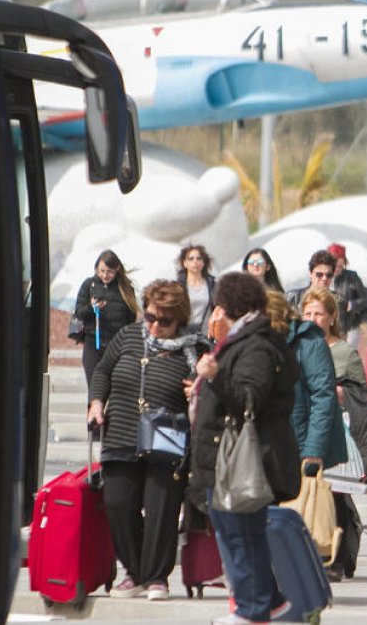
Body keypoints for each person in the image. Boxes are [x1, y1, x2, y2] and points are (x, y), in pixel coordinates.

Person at [86, 280, 208, 601]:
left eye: (164, 321)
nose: (155, 326)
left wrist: (196, 392)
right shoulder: (127, 336)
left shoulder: (195, 348)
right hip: (122, 434)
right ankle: (134, 571)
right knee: (117, 504)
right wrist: (97, 402)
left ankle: (156, 577)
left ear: (179, 319)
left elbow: (208, 392)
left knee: (161, 511)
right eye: (151, 317)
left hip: (166, 439)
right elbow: (102, 372)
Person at [192, 272, 299, 625]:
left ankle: (253, 611)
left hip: (242, 460)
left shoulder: (256, 345)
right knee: (234, 533)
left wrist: (213, 375)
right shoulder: (242, 339)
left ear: (228, 306)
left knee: (241, 536)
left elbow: (249, 399)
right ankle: (269, 601)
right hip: (226, 456)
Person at [299, 288, 367, 581]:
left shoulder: (344, 351)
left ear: (331, 317)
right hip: (305, 430)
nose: (313, 319)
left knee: (337, 496)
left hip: (338, 431)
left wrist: (342, 393)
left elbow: (362, 395)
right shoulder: (296, 346)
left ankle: (337, 558)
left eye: (319, 313)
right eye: (307, 313)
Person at [264, 292, 347, 479]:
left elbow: (323, 396)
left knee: (311, 501)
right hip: (280, 438)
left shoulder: (310, 343)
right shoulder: (271, 343)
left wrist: (314, 449)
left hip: (302, 441)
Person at [73, 249, 139, 384]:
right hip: (93, 343)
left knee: (114, 387)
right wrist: (92, 308)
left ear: (117, 270)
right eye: (101, 270)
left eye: (109, 272)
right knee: (94, 387)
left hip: (116, 345)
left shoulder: (125, 288)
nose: (105, 275)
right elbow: (79, 313)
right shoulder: (89, 285)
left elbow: (130, 319)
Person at [327, 243, 367, 347]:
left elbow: (365, 299)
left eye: (340, 266)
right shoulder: (321, 277)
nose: (337, 269)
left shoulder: (351, 276)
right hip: (329, 326)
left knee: (347, 356)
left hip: (350, 327)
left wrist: (352, 305)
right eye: (334, 266)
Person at [287, 250, 345, 316]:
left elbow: (340, 325)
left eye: (329, 275)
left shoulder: (339, 301)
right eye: (319, 274)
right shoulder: (293, 298)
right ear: (310, 273)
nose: (324, 278)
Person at [176, 244, 216, 334]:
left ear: (203, 262)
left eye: (199, 258)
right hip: (184, 333)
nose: (195, 262)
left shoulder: (212, 284)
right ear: (185, 263)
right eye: (191, 259)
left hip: (207, 334)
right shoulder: (178, 286)